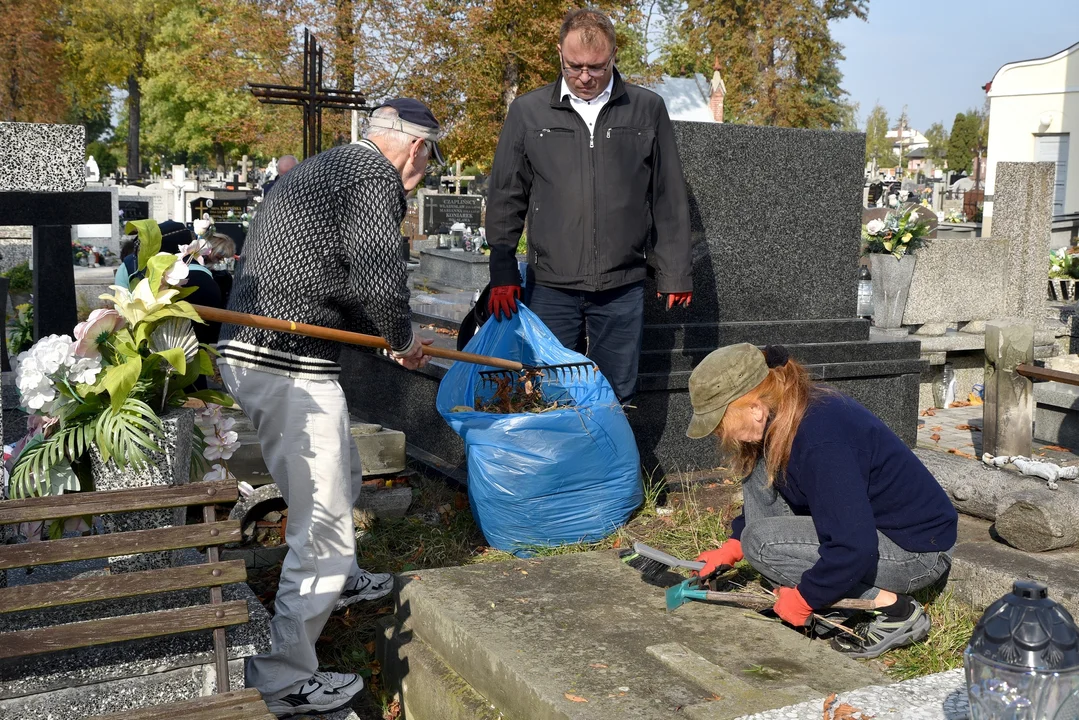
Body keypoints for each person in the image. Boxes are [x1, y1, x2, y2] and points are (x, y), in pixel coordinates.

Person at [216, 98, 442, 716]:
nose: (422, 176)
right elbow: (375, 265)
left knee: (338, 472)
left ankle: (337, 586)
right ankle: (283, 678)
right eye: (429, 161)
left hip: (259, 351)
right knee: (323, 529)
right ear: (416, 149)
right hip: (287, 362)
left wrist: (388, 333)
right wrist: (400, 338)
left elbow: (332, 271)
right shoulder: (371, 173)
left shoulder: (325, 167)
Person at [687, 344, 957, 660]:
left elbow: (854, 546)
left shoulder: (821, 439)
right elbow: (767, 495)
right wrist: (732, 548)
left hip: (915, 551)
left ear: (755, 408)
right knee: (756, 473)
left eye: (720, 423)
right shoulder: (786, 413)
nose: (721, 435)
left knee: (761, 545)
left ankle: (895, 611)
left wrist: (805, 598)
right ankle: (831, 604)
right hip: (869, 535)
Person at [484, 8, 693, 404]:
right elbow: (506, 194)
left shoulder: (646, 109)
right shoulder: (529, 112)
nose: (584, 77)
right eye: (573, 65)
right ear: (559, 53)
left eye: (596, 67)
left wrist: (676, 271)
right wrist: (503, 266)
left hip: (621, 284)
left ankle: (608, 466)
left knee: (616, 390)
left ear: (613, 55)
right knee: (545, 388)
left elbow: (667, 194)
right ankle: (555, 466)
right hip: (550, 284)